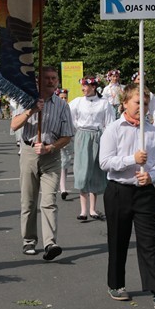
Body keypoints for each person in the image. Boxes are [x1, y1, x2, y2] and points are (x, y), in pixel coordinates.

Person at [99, 83, 155, 309]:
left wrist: (152, 175)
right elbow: (104, 162)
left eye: (145, 104)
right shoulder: (114, 129)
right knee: (118, 239)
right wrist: (131, 159)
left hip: (144, 192)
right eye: (137, 102)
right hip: (118, 191)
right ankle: (116, 284)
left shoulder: (152, 132)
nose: (141, 107)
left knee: (150, 240)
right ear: (125, 103)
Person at [11, 66, 74, 260]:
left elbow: (67, 136)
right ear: (39, 80)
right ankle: (29, 240)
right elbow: (14, 125)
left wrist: (51, 148)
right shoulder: (26, 100)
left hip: (51, 155)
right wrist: (31, 111)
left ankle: (50, 243)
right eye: (47, 78)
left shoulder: (62, 106)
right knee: (29, 201)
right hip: (29, 153)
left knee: (49, 201)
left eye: (54, 78)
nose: (51, 81)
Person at [69, 76, 114, 221]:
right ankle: (83, 210)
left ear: (93, 87)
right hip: (83, 136)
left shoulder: (104, 104)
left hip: (98, 136)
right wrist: (79, 130)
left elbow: (109, 123)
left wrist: (107, 139)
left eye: (85, 86)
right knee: (82, 171)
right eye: (82, 86)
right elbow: (70, 118)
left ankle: (93, 209)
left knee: (96, 170)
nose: (83, 89)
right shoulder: (77, 102)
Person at [56, 89, 73, 200]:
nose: (63, 100)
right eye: (61, 97)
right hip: (56, 139)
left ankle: (63, 187)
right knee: (59, 164)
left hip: (67, 139)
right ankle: (61, 187)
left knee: (65, 164)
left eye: (65, 98)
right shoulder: (55, 108)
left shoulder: (69, 108)